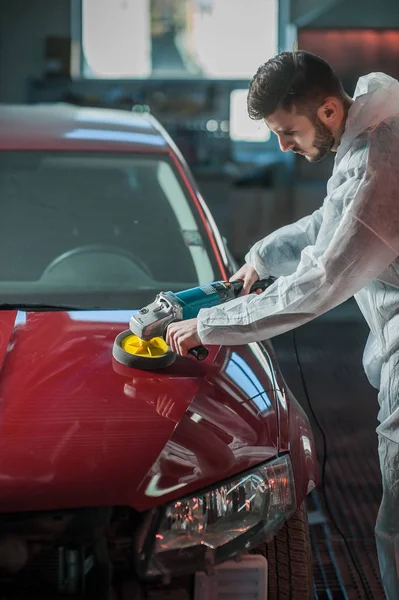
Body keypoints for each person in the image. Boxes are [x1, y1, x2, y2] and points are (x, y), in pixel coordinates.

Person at [166, 50, 399, 597]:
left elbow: (320, 283)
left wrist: (213, 326)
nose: (282, 146)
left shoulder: (376, 164)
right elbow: (330, 220)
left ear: (326, 111)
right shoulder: (373, 127)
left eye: (287, 131)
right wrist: (264, 256)